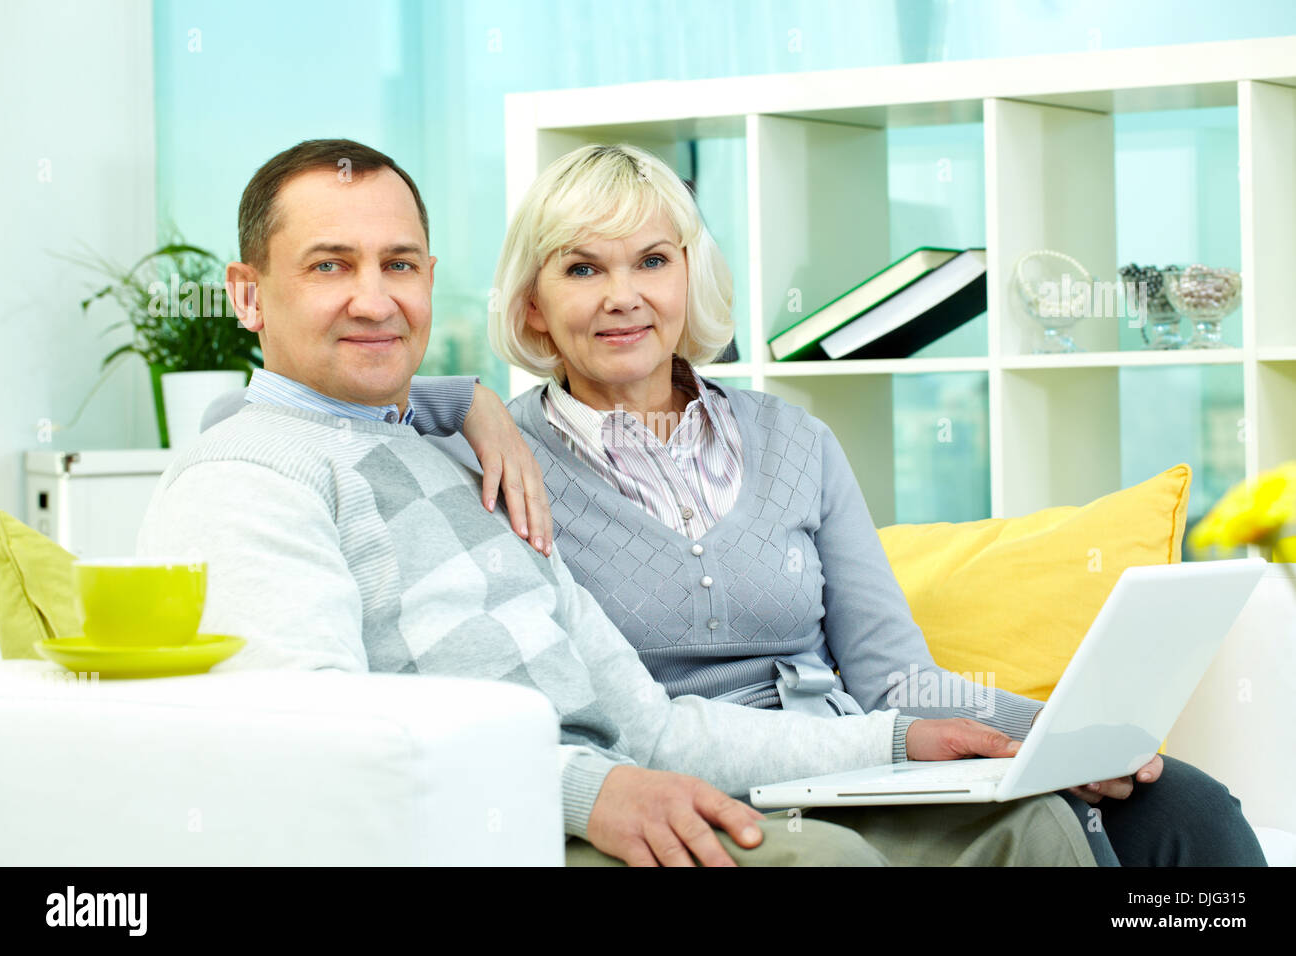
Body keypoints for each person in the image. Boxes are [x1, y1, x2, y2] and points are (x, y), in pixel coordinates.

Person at [157, 137, 1096, 867]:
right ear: (249, 295)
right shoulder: (248, 474)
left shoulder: (460, 456)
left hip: (619, 780)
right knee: (826, 858)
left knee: (1024, 836)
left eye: (398, 265)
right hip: (491, 821)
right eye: (329, 266)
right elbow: (311, 735)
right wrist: (585, 791)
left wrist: (901, 737)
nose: (374, 299)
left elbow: (652, 729)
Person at [461, 142, 1267, 867]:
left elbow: (896, 676)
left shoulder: (794, 440)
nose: (622, 296)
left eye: (651, 261)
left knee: (1182, 809)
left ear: (689, 274)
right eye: (581, 269)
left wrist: (1050, 734)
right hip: (688, 788)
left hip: (855, 764)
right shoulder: (502, 463)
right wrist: (460, 398)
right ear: (531, 304)